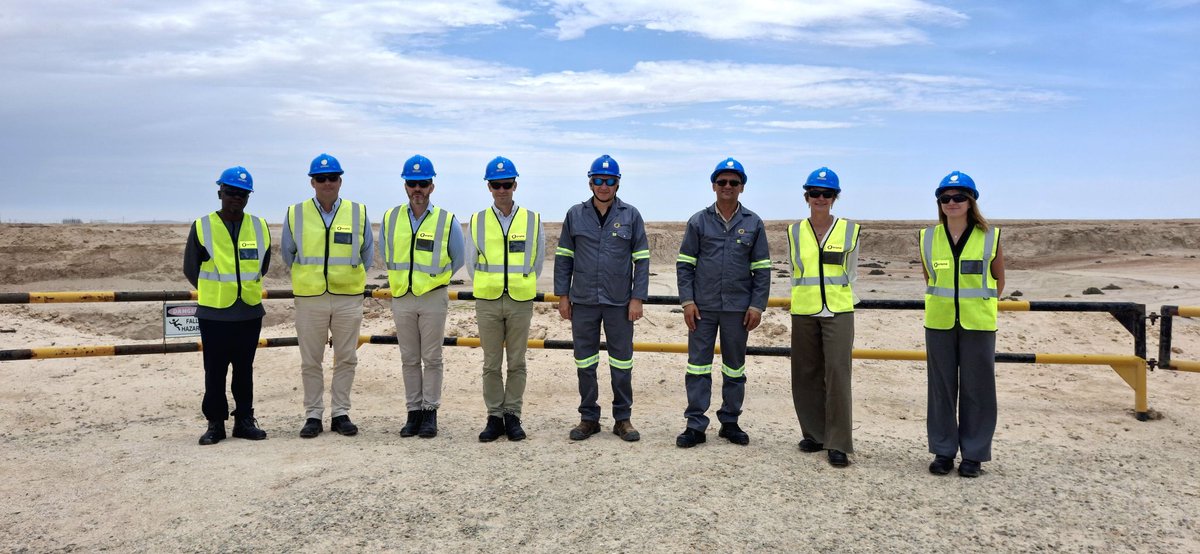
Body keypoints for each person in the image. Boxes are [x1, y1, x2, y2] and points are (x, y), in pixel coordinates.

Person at [674, 158, 771, 448]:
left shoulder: (753, 223)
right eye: (722, 182)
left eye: (733, 182)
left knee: (734, 369)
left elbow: (762, 268)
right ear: (714, 186)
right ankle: (695, 425)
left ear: (742, 187)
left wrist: (757, 305)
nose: (727, 187)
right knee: (698, 367)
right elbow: (685, 265)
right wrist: (688, 301)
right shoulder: (698, 221)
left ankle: (730, 422)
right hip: (702, 309)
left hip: (738, 310)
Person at [555, 154, 650, 442]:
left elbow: (642, 260)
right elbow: (563, 257)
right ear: (590, 182)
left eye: (609, 180)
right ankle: (588, 418)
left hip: (619, 303)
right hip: (583, 301)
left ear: (617, 183)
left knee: (622, 362)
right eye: (598, 180)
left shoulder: (631, 216)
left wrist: (637, 298)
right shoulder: (575, 215)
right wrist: (563, 296)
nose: (604, 185)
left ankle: (623, 419)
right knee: (585, 362)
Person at [920, 170, 1005, 478]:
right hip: (940, 323)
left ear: (971, 202)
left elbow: (998, 282)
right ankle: (943, 451)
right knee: (941, 389)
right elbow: (930, 278)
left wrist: (976, 305)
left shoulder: (989, 237)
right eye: (945, 198)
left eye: (958, 198)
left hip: (977, 324)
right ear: (939, 203)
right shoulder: (928, 237)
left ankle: (974, 454)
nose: (951, 203)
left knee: (977, 389)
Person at [283, 153, 373, 439]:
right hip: (311, 298)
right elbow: (289, 253)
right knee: (311, 360)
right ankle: (312, 415)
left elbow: (367, 254)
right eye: (321, 178)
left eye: (332, 177)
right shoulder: (295, 213)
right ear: (312, 182)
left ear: (340, 181)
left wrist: (346, 279)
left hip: (347, 297)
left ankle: (340, 413)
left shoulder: (358, 212)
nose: (327, 183)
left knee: (346, 357)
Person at [379, 154, 465, 439]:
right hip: (402, 296)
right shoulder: (391, 218)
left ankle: (430, 413)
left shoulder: (446, 220)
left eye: (423, 183)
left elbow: (458, 258)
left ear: (432, 186)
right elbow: (385, 253)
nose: (418, 189)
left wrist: (433, 280)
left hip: (432, 297)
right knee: (408, 358)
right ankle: (413, 413)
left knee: (432, 357)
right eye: (413, 183)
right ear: (405, 186)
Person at [183, 166, 271, 445]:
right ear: (220, 191)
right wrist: (216, 292)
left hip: (248, 312)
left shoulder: (259, 226)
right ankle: (215, 424)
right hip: (214, 314)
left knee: (244, 371)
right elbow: (191, 269)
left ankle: (244, 421)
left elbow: (262, 265)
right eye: (231, 192)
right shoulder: (203, 226)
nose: (237, 198)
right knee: (215, 371)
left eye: (243, 194)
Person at [467, 156, 544, 442]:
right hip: (487, 300)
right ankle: (493, 417)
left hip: (519, 300)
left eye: (507, 184)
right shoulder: (477, 220)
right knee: (490, 363)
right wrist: (491, 285)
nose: (502, 189)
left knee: (516, 362)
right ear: (489, 187)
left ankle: (512, 415)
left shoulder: (532, 220)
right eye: (496, 185)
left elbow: (536, 263)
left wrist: (517, 284)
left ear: (515, 185)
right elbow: (471, 263)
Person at [787, 167, 861, 467]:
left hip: (838, 311)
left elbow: (852, 272)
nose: (820, 198)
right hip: (804, 310)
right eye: (815, 193)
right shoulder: (795, 231)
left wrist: (838, 299)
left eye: (826, 194)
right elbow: (795, 272)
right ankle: (815, 435)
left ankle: (838, 443)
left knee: (837, 375)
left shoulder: (849, 230)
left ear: (834, 197)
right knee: (805, 374)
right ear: (807, 197)